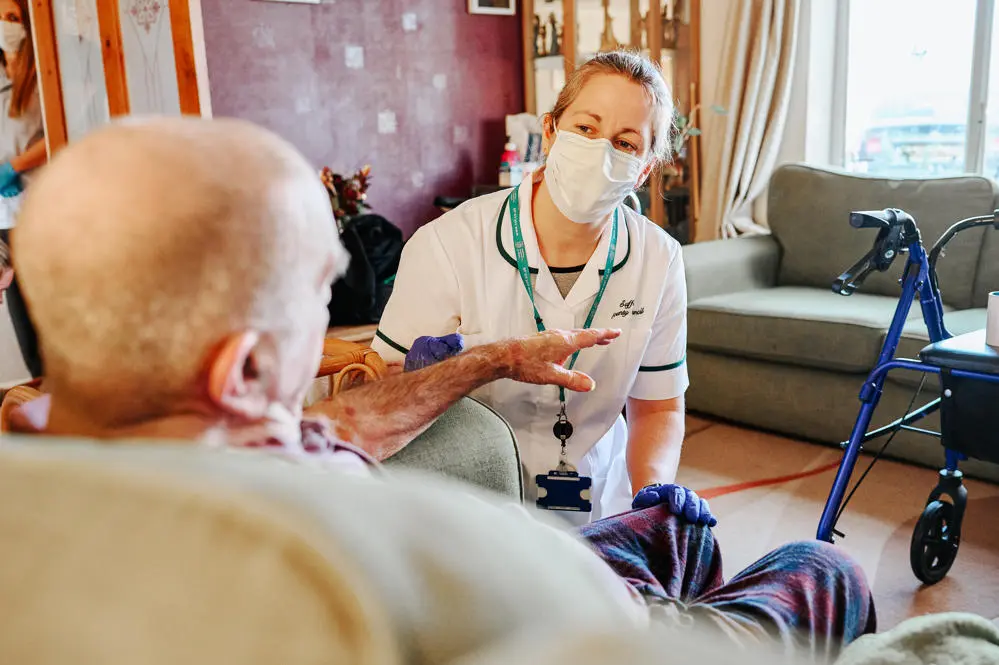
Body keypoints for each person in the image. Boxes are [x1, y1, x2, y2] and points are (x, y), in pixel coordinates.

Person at [9, 116, 874, 661]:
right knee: (820, 563)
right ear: (240, 372)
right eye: (320, 291)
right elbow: (592, 625)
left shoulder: (63, 449)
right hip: (595, 615)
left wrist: (491, 359)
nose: (329, 323)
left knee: (665, 523)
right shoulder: (439, 555)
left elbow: (338, 422)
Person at [371, 51, 690, 523]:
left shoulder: (658, 258)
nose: (601, 150)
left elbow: (659, 405)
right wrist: (438, 370)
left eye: (625, 143)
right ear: (550, 131)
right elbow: (385, 389)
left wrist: (653, 498)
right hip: (463, 496)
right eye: (585, 128)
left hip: (594, 499)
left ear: (644, 170)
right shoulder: (448, 242)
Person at [0, 0, 46, 380]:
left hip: (39, 211)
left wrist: (13, 166)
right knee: (26, 330)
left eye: (12, 18)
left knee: (54, 319)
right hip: (3, 219)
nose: (4, 26)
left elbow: (59, 134)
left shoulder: (44, 75)